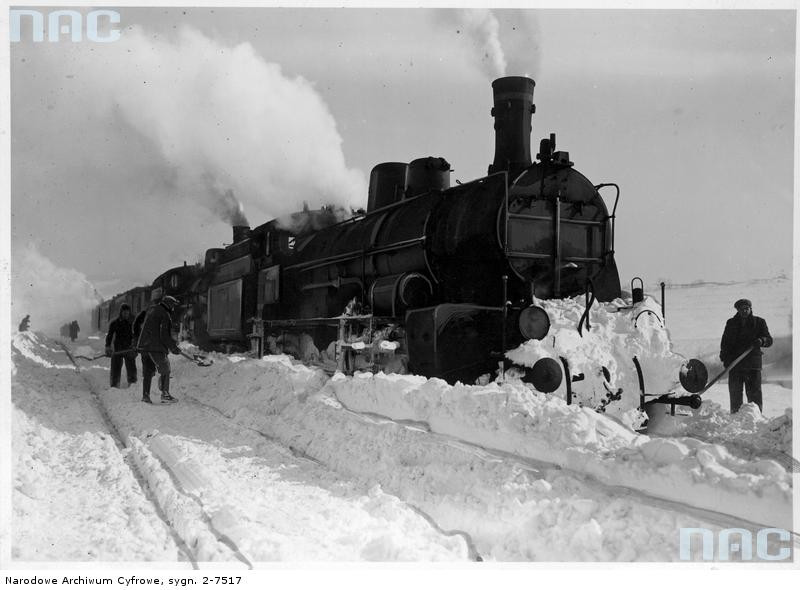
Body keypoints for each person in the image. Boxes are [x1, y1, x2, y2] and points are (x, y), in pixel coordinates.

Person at [719, 298, 772, 413]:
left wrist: (761, 340)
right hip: (735, 364)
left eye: (746, 308)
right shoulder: (731, 323)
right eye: (741, 309)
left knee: (754, 395)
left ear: (750, 308)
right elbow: (725, 343)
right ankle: (735, 418)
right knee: (735, 394)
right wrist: (725, 359)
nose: (744, 311)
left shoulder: (759, 322)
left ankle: (756, 419)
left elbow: (769, 340)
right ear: (737, 310)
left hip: (752, 365)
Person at [136, 295, 181, 404]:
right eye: (173, 305)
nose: (173, 308)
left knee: (148, 371)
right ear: (169, 304)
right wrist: (173, 347)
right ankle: (165, 394)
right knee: (166, 368)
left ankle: (145, 396)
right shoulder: (164, 314)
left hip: (145, 347)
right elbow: (164, 335)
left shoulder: (153, 311)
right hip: (155, 347)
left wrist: (140, 345)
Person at [105, 303, 137, 388]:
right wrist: (108, 347)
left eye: (127, 313)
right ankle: (114, 384)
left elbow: (135, 335)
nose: (126, 314)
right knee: (115, 367)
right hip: (118, 349)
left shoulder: (131, 323)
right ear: (121, 312)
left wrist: (134, 345)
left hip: (128, 348)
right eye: (124, 313)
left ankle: (132, 383)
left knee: (131, 366)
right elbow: (109, 336)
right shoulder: (114, 323)